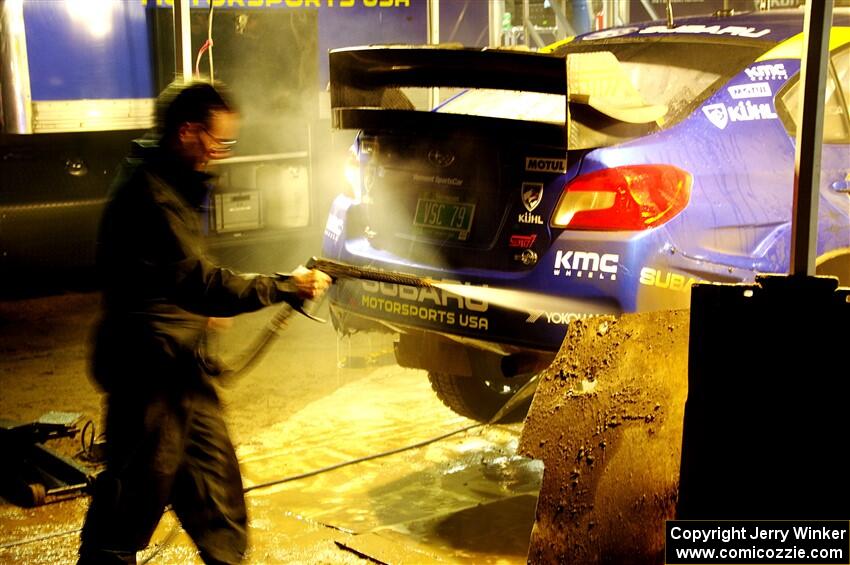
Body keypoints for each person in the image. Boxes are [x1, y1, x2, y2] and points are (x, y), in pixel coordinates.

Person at [78, 81, 331, 564]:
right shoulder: (152, 196)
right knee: (131, 500)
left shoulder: (169, 182)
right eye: (218, 140)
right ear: (187, 131)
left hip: (183, 373)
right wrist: (285, 285)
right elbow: (197, 280)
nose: (220, 152)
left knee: (218, 497)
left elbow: (168, 277)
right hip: (148, 375)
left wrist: (194, 314)